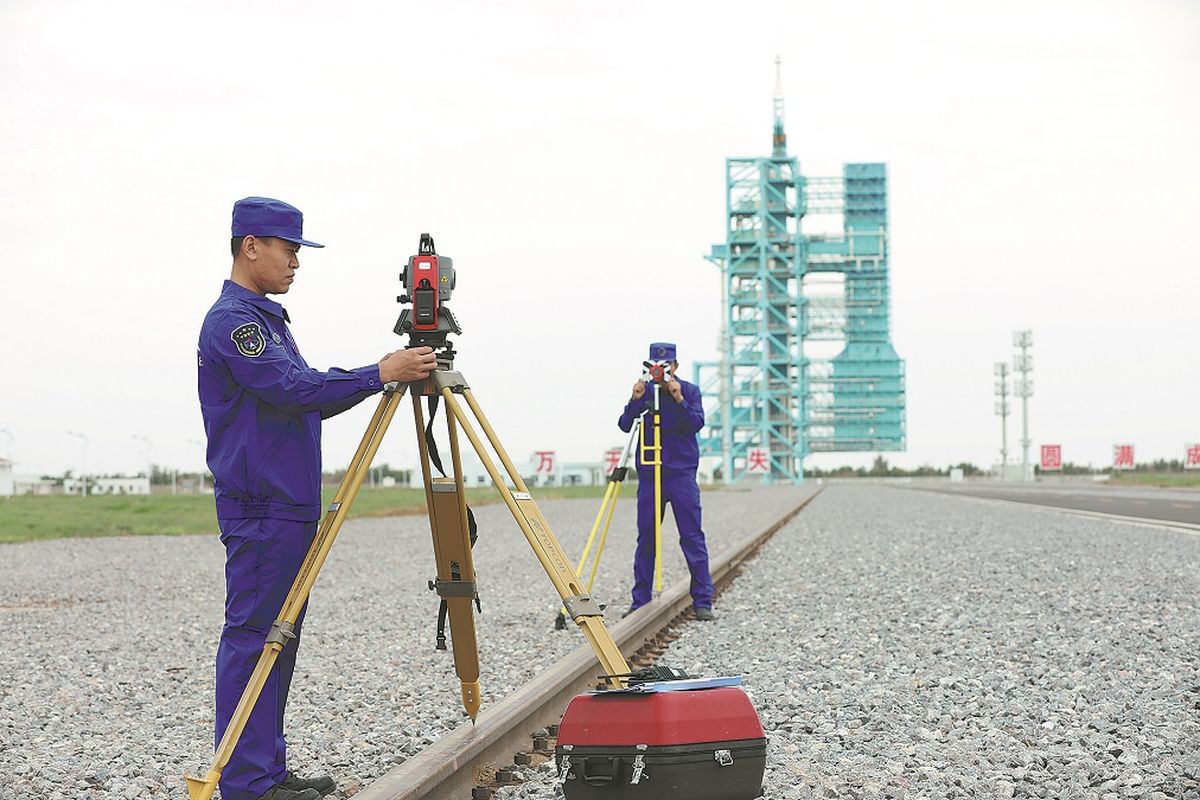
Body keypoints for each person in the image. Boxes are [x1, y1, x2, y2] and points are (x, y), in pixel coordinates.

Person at [197, 197, 437, 800]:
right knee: (256, 636)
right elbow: (295, 388)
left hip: (288, 503)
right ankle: (247, 782)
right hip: (261, 506)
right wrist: (379, 373)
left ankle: (267, 771)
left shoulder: (268, 319)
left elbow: (298, 389)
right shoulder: (235, 322)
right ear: (251, 245)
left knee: (279, 638)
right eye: (289, 247)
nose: (296, 261)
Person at [617, 342, 716, 621]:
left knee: (692, 537)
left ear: (676, 366)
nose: (662, 371)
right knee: (646, 539)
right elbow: (625, 424)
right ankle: (640, 602)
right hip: (650, 475)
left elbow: (697, 423)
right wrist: (635, 400)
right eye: (655, 366)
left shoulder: (689, 391)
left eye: (667, 366)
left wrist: (679, 398)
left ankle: (703, 601)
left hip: (681, 474)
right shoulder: (645, 392)